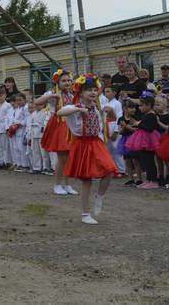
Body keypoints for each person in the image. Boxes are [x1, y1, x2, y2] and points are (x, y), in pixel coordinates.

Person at [57, 74, 117, 225]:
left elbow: (109, 121)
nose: (92, 93)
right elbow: (60, 112)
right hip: (82, 145)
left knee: (109, 170)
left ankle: (99, 196)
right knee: (86, 180)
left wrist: (110, 112)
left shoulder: (97, 107)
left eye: (94, 90)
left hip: (96, 143)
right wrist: (78, 110)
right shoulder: (76, 107)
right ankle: (85, 213)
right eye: (88, 90)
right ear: (80, 92)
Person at [35, 69, 78, 196]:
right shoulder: (53, 93)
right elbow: (37, 102)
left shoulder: (71, 95)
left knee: (70, 157)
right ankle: (58, 184)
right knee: (62, 157)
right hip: (59, 125)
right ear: (57, 82)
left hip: (70, 126)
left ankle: (67, 184)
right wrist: (50, 96)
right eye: (64, 81)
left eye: (69, 80)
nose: (67, 83)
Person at [125, 91, 162, 189]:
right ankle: (149, 179)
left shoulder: (152, 115)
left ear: (149, 105)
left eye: (141, 105)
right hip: (143, 139)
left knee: (149, 161)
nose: (140, 108)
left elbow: (150, 128)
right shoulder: (146, 114)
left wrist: (138, 124)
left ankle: (153, 180)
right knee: (145, 160)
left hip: (149, 140)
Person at [100, 86, 125, 176]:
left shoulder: (117, 103)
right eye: (105, 92)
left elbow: (119, 117)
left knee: (116, 149)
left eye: (108, 91)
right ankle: (112, 168)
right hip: (105, 127)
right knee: (108, 150)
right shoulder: (104, 103)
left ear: (114, 93)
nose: (106, 93)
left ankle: (121, 170)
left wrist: (116, 131)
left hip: (114, 125)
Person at [27, 99, 51, 175]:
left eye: (39, 104)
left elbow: (45, 124)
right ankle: (37, 167)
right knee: (35, 152)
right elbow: (30, 125)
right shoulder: (33, 114)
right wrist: (30, 136)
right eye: (36, 105)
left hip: (41, 134)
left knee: (44, 153)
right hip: (34, 134)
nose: (37, 106)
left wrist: (42, 129)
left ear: (43, 105)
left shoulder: (46, 112)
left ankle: (46, 167)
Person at [6, 93, 28, 172]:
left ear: (24, 100)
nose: (18, 102)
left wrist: (19, 123)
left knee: (22, 148)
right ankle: (19, 164)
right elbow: (14, 119)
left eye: (20, 100)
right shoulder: (17, 109)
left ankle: (25, 165)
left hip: (22, 130)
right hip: (16, 130)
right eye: (17, 100)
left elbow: (27, 119)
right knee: (16, 148)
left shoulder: (26, 108)